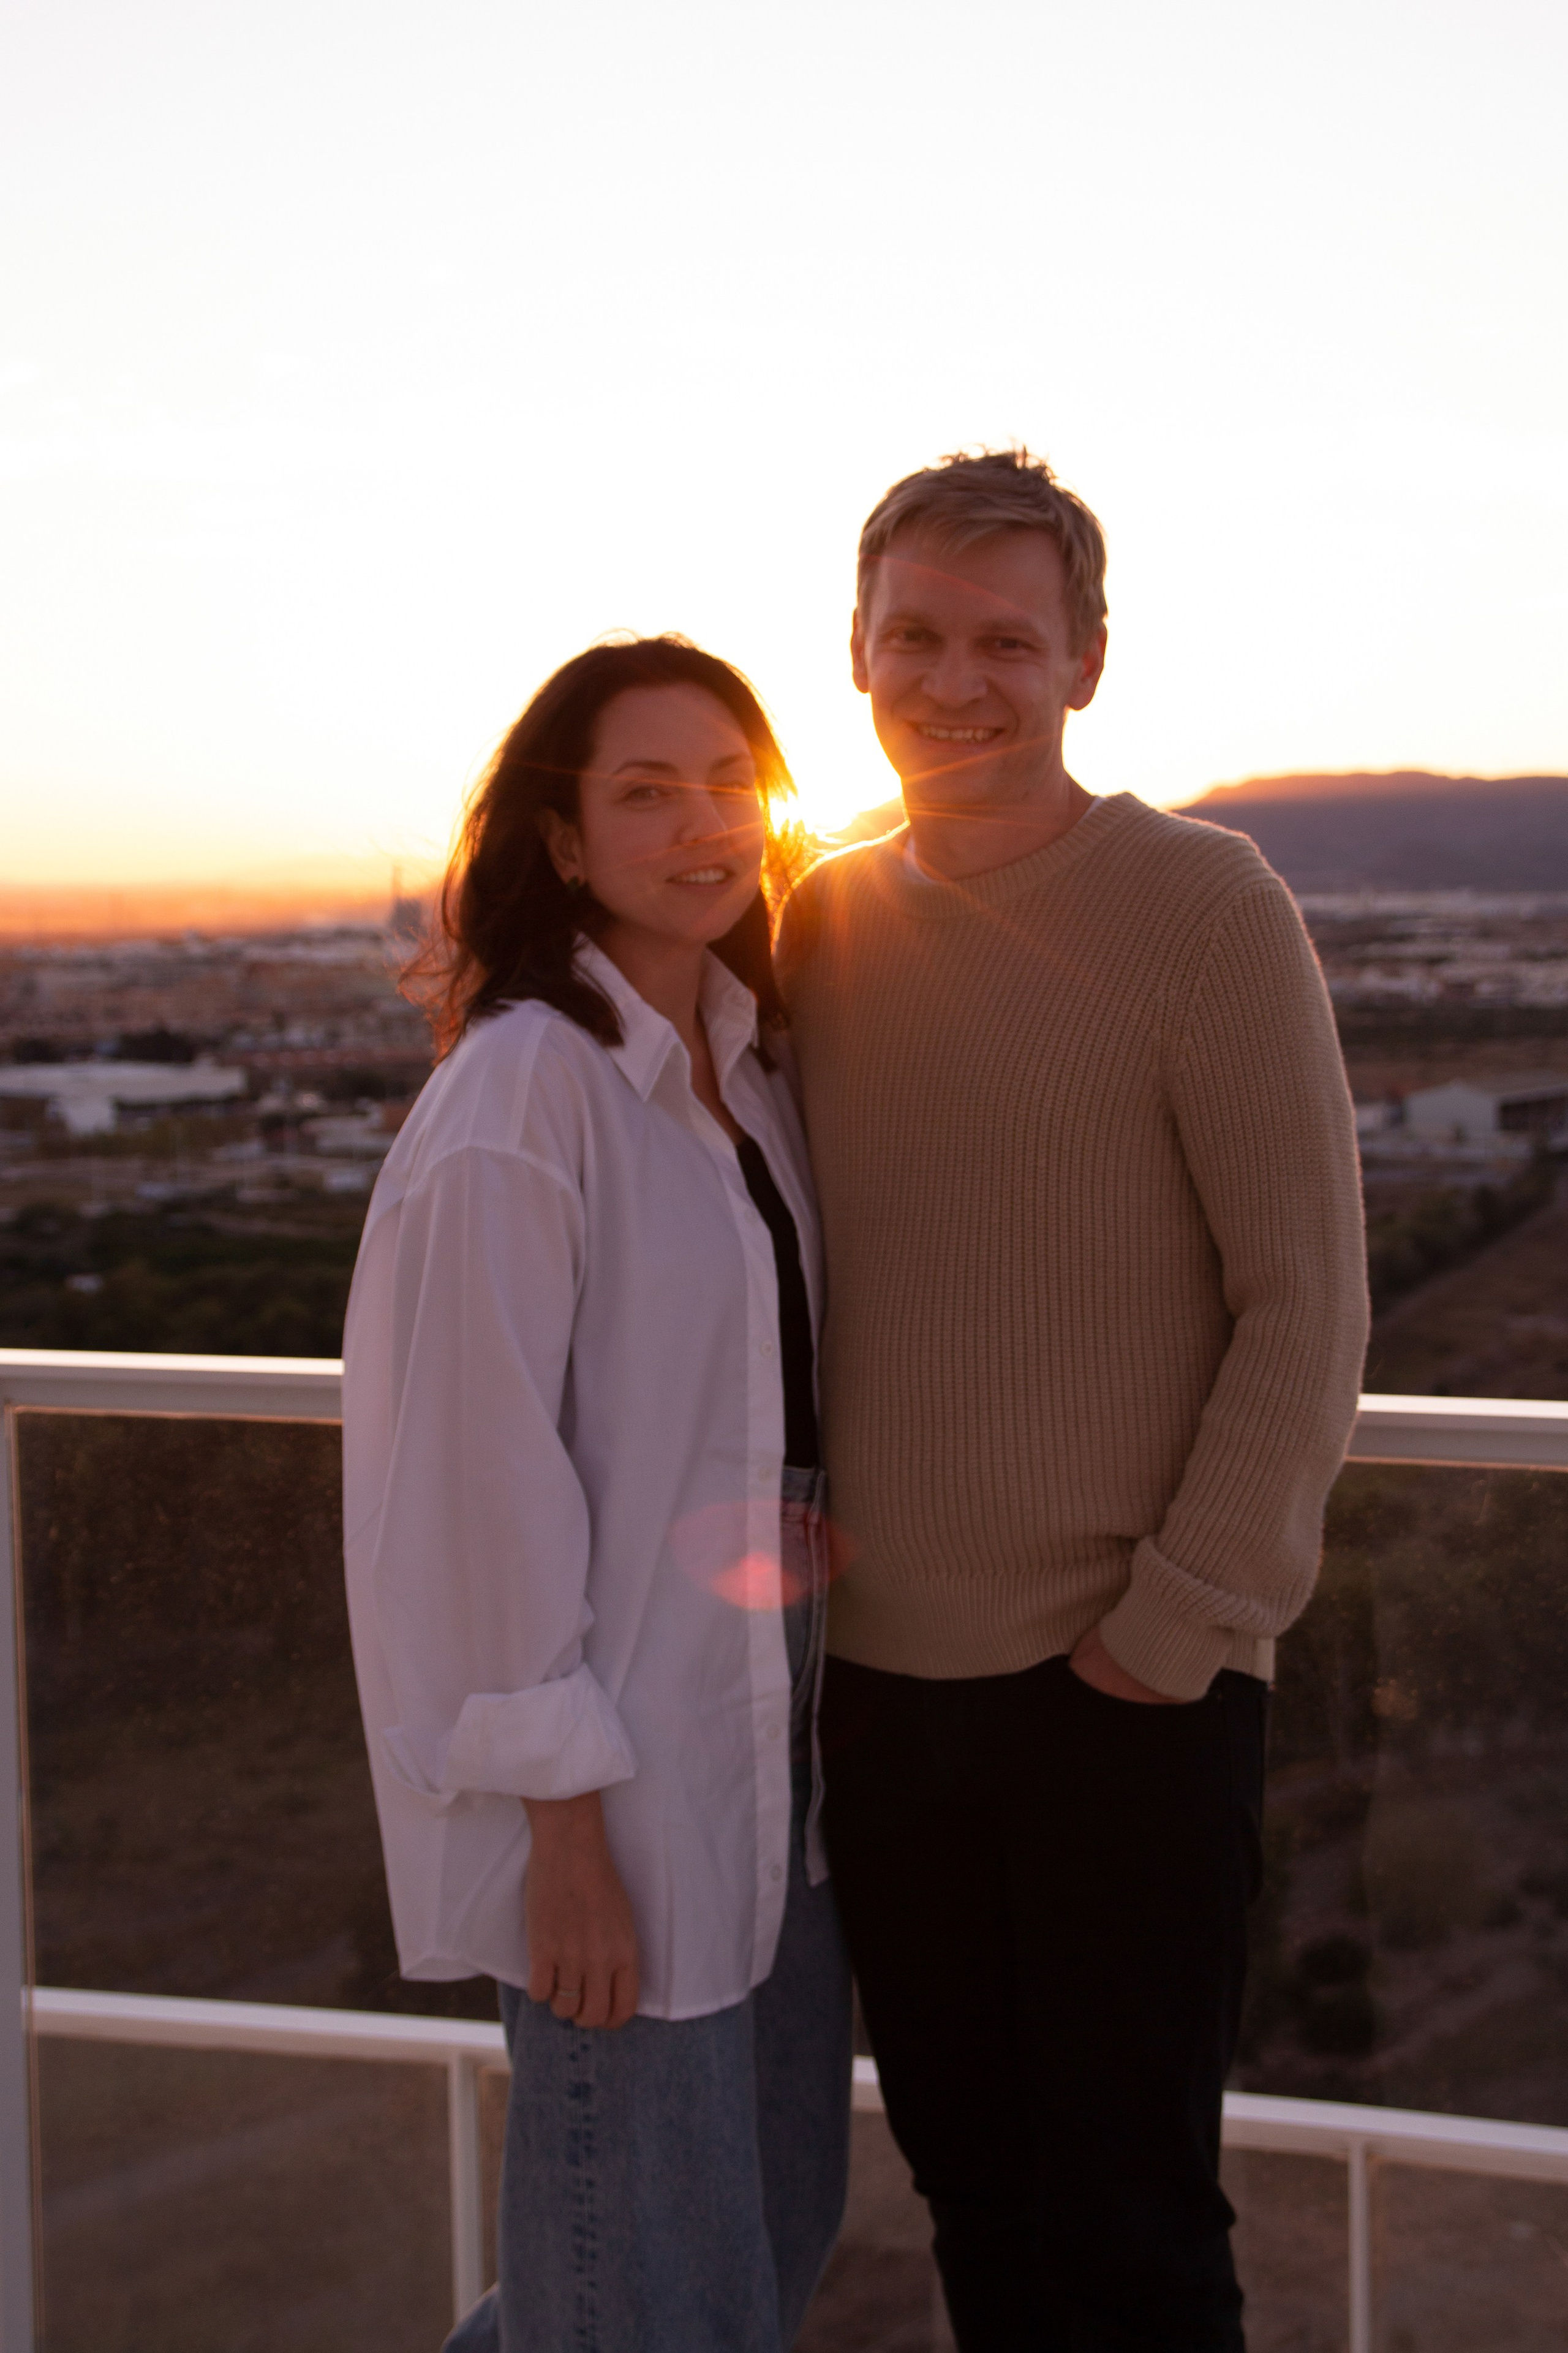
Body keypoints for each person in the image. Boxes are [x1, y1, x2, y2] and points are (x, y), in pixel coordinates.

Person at [778, 449, 1369, 2351]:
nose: (956, 681)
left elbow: (1307, 1300)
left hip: (1126, 1687)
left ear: (1088, 662)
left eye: (1005, 641)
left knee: (1131, 2230)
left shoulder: (1205, 902)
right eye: (916, 638)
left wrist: (1176, 1627)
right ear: (857, 657)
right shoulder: (810, 926)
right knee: (974, 2201)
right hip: (873, 1693)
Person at [342, 636, 852, 2352]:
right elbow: (472, 1489)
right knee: (645, 2293)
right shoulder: (520, 1095)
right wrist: (565, 1834)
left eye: (731, 782)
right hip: (620, 1774)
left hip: (769, 1744)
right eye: (646, 790)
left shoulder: (746, 1062)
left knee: (750, 2247)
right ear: (561, 842)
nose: (702, 821)